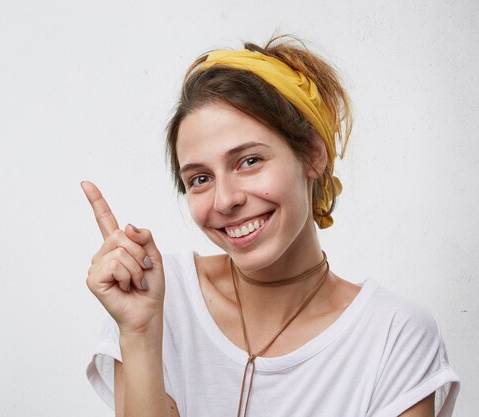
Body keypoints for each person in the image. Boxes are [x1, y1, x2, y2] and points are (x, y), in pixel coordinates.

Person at [81, 35, 460, 417]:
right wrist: (141, 334)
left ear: (312, 155)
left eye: (249, 161)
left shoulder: (394, 335)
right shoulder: (157, 297)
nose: (225, 200)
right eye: (199, 179)